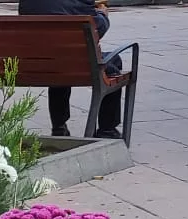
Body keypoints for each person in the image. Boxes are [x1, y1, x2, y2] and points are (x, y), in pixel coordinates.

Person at [17, 0, 125, 139]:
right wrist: (103, 15)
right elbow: (97, 30)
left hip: (39, 63)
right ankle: (107, 129)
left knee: (61, 65)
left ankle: (59, 127)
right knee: (113, 64)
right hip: (74, 62)